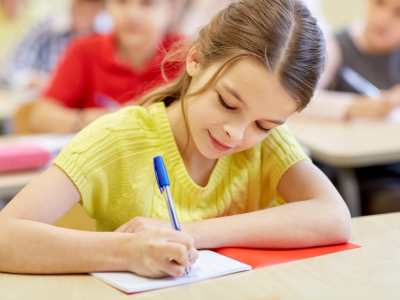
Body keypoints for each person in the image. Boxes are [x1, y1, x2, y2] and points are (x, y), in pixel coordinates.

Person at [0, 0, 351, 278]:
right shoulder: (117, 137)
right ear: (195, 60)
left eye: (264, 124)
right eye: (227, 103)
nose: (237, 132)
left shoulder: (267, 143)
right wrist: (127, 252)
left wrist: (189, 232)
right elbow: (6, 236)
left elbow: (334, 217)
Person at [298, 0, 400, 215]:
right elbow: (301, 100)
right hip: (354, 175)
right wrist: (354, 107)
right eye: (379, 4)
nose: (383, 19)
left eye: (398, 13)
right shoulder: (335, 46)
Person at [23, 0, 184, 134]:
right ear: (108, 5)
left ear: (172, 10)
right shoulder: (83, 50)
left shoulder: (186, 55)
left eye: (147, 3)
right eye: (121, 2)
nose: (132, 14)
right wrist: (106, 118)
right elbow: (41, 117)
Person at [0, 0, 106, 91]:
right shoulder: (47, 28)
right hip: (43, 100)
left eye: (91, 12)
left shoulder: (104, 36)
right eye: (81, 8)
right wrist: (29, 79)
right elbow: (11, 68)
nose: (84, 17)